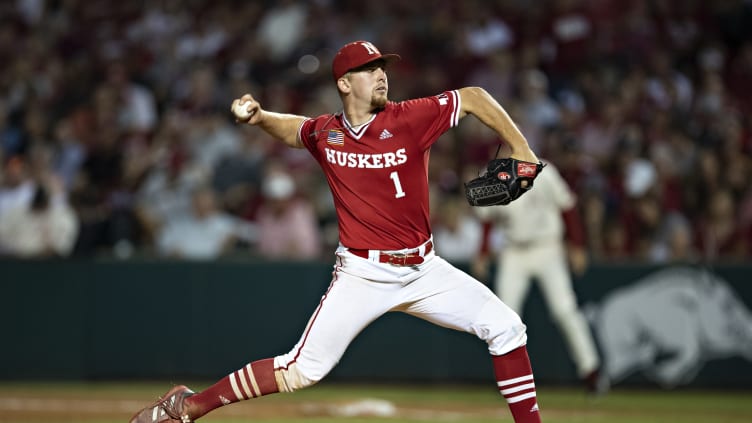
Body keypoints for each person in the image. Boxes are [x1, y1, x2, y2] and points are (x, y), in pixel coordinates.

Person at [130, 40, 544, 423]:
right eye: (369, 69)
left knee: (506, 328)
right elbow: (296, 129)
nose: (381, 74)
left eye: (382, 67)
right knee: (301, 370)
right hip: (363, 274)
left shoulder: (410, 118)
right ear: (345, 83)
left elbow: (472, 97)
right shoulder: (328, 133)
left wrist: (520, 147)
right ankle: (187, 406)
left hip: (424, 268)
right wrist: (260, 118)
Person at [472, 160, 605, 394]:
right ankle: (509, 378)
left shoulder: (546, 171)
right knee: (505, 315)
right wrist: (483, 252)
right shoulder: (494, 174)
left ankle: (591, 372)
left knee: (565, 310)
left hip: (547, 248)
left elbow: (568, 207)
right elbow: (487, 218)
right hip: (514, 251)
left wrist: (577, 245)